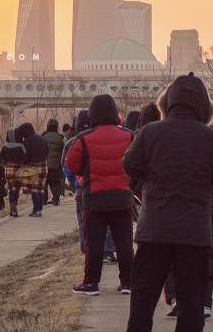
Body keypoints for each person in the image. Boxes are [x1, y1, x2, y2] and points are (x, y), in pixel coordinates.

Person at [120, 73, 213, 332]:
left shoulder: (150, 133)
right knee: (191, 294)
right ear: (203, 105)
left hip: (154, 226)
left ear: (167, 101)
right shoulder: (212, 138)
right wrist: (208, 187)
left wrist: (150, 180)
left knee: (144, 294)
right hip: (194, 228)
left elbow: (129, 165)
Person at [66, 94, 135, 296]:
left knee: (94, 243)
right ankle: (128, 282)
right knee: (124, 242)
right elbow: (138, 163)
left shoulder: (83, 139)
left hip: (94, 199)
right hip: (122, 198)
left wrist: (88, 173)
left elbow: (72, 165)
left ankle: (91, 283)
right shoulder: (129, 136)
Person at [20, 122, 50, 217]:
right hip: (43, 166)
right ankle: (39, 209)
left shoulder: (27, 141)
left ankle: (36, 210)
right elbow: (47, 152)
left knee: (34, 189)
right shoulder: (42, 138)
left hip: (32, 167)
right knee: (40, 189)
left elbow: (25, 157)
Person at [0, 129, 31, 218]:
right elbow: (26, 158)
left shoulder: (4, 146)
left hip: (9, 171)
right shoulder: (21, 146)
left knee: (11, 189)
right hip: (19, 171)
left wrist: (6, 164)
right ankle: (14, 207)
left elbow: (0, 158)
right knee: (16, 189)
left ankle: (12, 208)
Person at [42, 118, 67, 206]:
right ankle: (56, 200)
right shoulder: (62, 137)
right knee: (56, 182)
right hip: (56, 164)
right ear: (56, 126)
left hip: (45, 164)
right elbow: (65, 148)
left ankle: (43, 200)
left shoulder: (43, 136)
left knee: (44, 183)